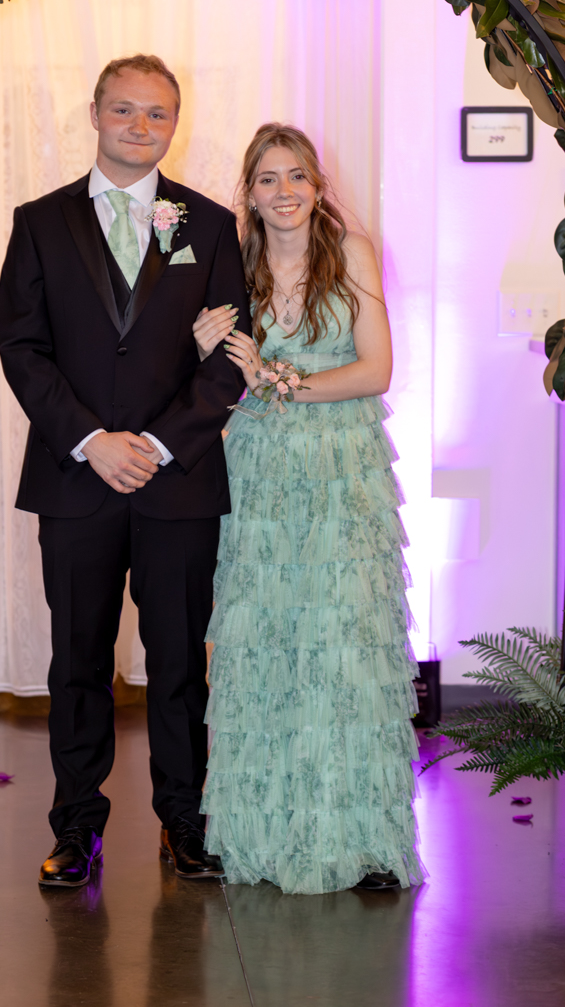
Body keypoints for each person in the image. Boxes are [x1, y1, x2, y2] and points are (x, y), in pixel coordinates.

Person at [0, 54, 250, 888]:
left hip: (179, 481)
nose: (141, 126)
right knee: (78, 664)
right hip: (76, 480)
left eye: (157, 113)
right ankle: (76, 830)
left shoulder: (209, 225)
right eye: (125, 110)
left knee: (178, 665)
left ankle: (185, 824)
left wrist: (162, 444)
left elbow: (232, 357)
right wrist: (90, 440)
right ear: (96, 114)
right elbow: (22, 348)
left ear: (175, 123)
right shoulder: (39, 222)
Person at [194, 123, 424, 895]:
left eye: (296, 175)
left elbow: (376, 369)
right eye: (268, 178)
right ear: (250, 193)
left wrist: (279, 380)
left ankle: (362, 842)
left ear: (317, 185)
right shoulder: (233, 264)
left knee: (343, 644)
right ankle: (260, 834)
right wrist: (202, 345)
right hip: (259, 472)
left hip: (341, 468)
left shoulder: (350, 251)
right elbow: (208, 375)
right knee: (266, 645)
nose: (284, 190)